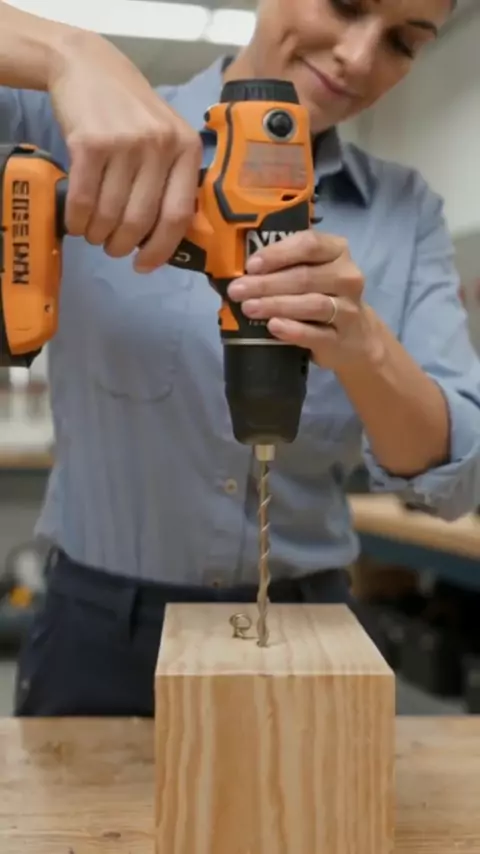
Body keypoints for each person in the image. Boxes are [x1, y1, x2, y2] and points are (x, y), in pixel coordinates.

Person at [1, 0, 476, 718]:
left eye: (403, 44)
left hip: (306, 620)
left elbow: (458, 477)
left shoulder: (404, 213)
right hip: (95, 630)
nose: (357, 56)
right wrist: (68, 53)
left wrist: (363, 345)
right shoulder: (82, 128)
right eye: (345, 5)